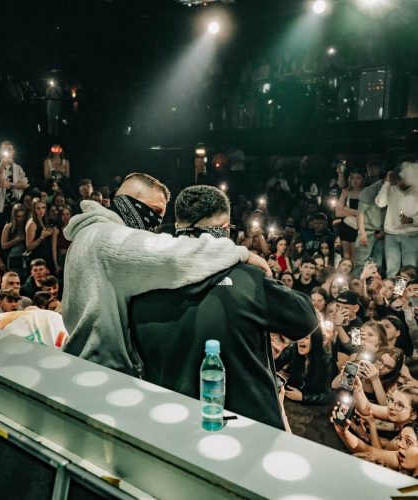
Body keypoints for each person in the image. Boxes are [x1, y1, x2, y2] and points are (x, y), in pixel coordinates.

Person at [130, 185, 318, 429]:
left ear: (177, 226)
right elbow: (306, 318)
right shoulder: (249, 279)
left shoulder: (143, 282)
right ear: (225, 229)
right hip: (249, 428)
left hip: (172, 422)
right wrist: (265, 277)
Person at [62, 173, 271, 376]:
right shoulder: (109, 238)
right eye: (154, 211)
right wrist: (240, 253)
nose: (155, 224)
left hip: (88, 364)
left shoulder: (88, 234)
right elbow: (175, 257)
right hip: (104, 370)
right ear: (130, 202)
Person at [375, 163, 418, 278]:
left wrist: (412, 220)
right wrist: (387, 183)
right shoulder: (390, 189)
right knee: (392, 269)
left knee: (409, 270)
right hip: (391, 234)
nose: (401, 182)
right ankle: (393, 290)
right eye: (398, 179)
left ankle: (406, 289)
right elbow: (380, 203)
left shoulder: (416, 190)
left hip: (411, 235)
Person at [275, 330, 333, 405]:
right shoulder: (294, 349)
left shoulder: (327, 361)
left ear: (315, 341)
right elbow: (274, 365)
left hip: (314, 408)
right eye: (300, 336)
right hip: (290, 401)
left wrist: (303, 397)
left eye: (306, 338)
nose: (301, 340)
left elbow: (329, 397)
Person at [0, 141, 29, 242]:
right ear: (0, 151)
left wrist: (11, 185)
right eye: (4, 149)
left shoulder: (17, 166)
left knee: (14, 233)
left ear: (13, 151)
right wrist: (1, 167)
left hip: (15, 206)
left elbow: (25, 184)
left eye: (9, 149)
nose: (7, 151)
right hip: (0, 207)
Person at [336, 169, 365, 262]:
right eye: (352, 178)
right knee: (346, 257)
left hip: (358, 227)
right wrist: (355, 213)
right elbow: (338, 212)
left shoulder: (366, 193)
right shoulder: (346, 192)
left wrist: (345, 209)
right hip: (346, 226)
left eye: (358, 178)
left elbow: (362, 213)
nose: (355, 181)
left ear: (363, 179)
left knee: (355, 257)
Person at [25, 198, 55, 273]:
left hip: (47, 257)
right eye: (38, 208)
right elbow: (29, 247)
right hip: (37, 260)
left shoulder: (44, 219)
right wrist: (41, 237)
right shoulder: (32, 223)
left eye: (43, 207)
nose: (41, 210)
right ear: (33, 209)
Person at [1, 203, 27, 277]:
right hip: (14, 257)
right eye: (18, 216)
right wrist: (16, 240)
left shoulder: (27, 225)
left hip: (25, 257)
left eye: (23, 216)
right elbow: (3, 245)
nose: (21, 219)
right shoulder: (8, 227)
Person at [52, 205, 72, 277]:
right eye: (63, 214)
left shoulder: (74, 228)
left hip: (73, 257)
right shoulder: (56, 229)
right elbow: (54, 249)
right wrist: (56, 265)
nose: (65, 217)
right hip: (62, 258)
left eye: (67, 214)